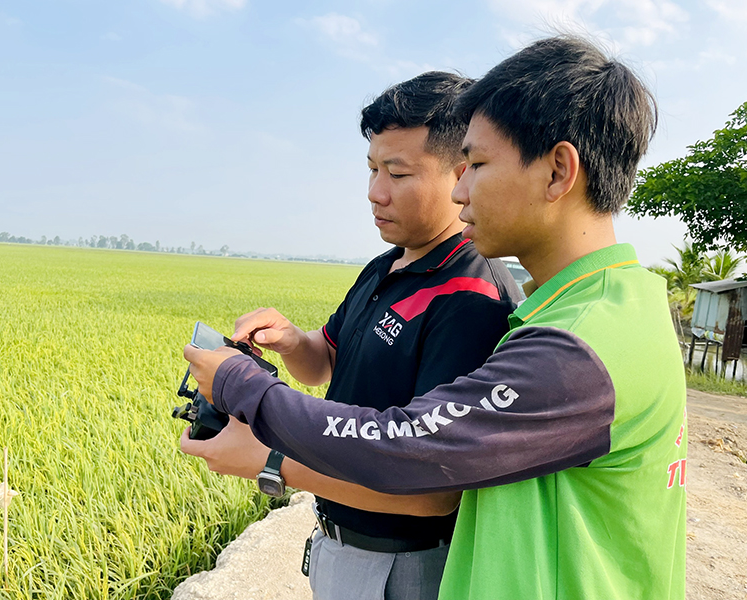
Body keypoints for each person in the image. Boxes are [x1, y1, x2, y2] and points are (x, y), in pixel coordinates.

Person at [182, 35, 687, 600]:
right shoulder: (596, 306)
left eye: (476, 164)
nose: (461, 189)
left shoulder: (575, 345)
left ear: (557, 172)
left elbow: (405, 450)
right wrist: (290, 352)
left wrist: (245, 396)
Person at [183, 71, 521, 600]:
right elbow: (326, 363)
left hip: (405, 564)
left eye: (398, 173)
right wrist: (293, 340)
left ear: (461, 174)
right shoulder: (384, 268)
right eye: (371, 169)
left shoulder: (470, 300)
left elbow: (432, 494)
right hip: (338, 543)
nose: (374, 192)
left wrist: (272, 462)